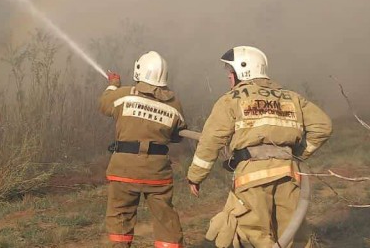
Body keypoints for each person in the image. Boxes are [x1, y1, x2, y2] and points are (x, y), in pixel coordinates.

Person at [187, 46, 332, 248]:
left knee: (252, 233)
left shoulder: (232, 99)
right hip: (289, 174)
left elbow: (211, 140)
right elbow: (323, 126)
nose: (229, 78)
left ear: (242, 71)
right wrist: (299, 155)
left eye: (231, 72)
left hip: (252, 176)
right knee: (292, 235)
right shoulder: (291, 97)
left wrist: (195, 176)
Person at [99, 51, 187, 248]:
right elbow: (178, 135)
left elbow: (104, 104)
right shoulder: (175, 104)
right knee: (166, 219)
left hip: (124, 170)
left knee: (120, 217)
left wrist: (113, 84)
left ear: (139, 71)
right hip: (157, 173)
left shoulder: (124, 95)